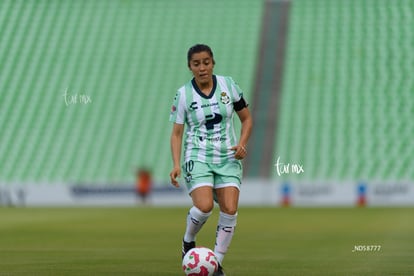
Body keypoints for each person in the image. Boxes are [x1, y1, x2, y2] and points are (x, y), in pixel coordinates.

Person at [169, 44, 253, 275]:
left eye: (206, 62)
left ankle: (214, 263)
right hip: (197, 155)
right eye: (196, 64)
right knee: (204, 206)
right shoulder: (183, 94)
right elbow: (176, 134)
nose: (202, 67)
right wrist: (176, 164)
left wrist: (242, 144)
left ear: (212, 63)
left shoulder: (228, 85)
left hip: (227, 156)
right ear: (190, 67)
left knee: (230, 209)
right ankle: (188, 241)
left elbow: (246, 119)